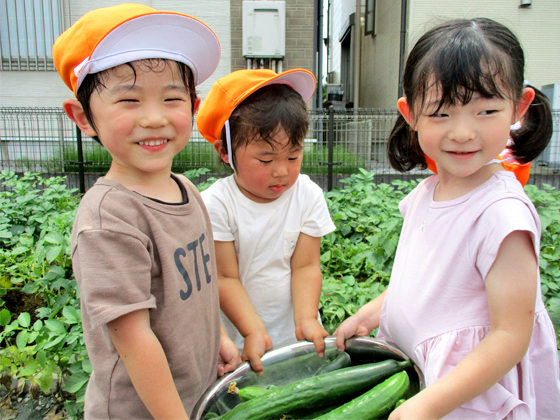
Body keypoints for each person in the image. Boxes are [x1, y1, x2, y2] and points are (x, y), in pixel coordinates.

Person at [334, 17, 560, 419]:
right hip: (429, 380)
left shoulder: (502, 217)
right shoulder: (427, 193)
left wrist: (427, 406)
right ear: (411, 114)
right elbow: (430, 283)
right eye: (441, 114)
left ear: (519, 107)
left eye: (486, 111)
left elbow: (511, 335)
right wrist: (372, 313)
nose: (462, 132)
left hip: (471, 392)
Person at [52, 4, 240, 418]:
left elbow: (200, 290)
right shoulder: (109, 219)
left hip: (193, 396)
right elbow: (133, 339)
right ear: (83, 117)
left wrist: (221, 343)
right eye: (129, 100)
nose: (154, 118)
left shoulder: (186, 189)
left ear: (192, 105)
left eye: (172, 98)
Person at [196, 69, 336, 375]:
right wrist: (252, 332)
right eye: (265, 159)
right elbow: (225, 278)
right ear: (225, 152)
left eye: (293, 156)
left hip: (293, 332)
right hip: (239, 338)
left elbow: (306, 266)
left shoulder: (307, 195)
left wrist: (307, 319)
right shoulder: (217, 204)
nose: (281, 172)